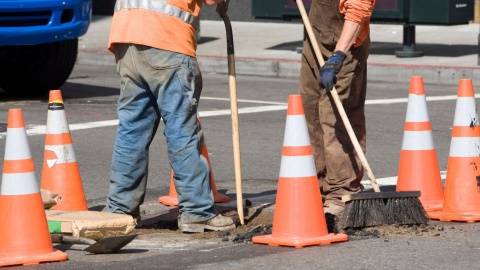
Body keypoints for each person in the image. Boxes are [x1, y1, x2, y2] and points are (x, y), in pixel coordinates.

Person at [105, 0, 235, 233]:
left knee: (132, 129)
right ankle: (196, 211)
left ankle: (120, 210)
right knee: (181, 129)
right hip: (165, 37)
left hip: (125, 36)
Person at [298, 0, 375, 216]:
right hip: (315, 41)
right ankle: (317, 186)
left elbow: (358, 12)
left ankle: (341, 191)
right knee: (310, 111)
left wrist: (338, 56)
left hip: (347, 48)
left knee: (335, 117)